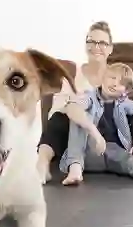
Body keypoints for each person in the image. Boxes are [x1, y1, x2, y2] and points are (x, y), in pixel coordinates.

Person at [60, 63, 133, 187]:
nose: (115, 84)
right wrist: (95, 133)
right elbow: (72, 108)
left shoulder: (123, 103)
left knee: (131, 160)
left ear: (125, 91)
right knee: (80, 115)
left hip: (115, 153)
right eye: (112, 78)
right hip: (88, 153)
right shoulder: (90, 97)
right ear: (103, 78)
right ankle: (75, 169)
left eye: (121, 83)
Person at [37, 21, 113, 183]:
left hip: (104, 132)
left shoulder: (115, 76)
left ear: (110, 48)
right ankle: (42, 165)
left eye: (102, 43)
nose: (96, 46)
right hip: (71, 131)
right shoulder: (73, 74)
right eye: (91, 41)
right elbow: (58, 109)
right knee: (61, 116)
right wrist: (88, 125)